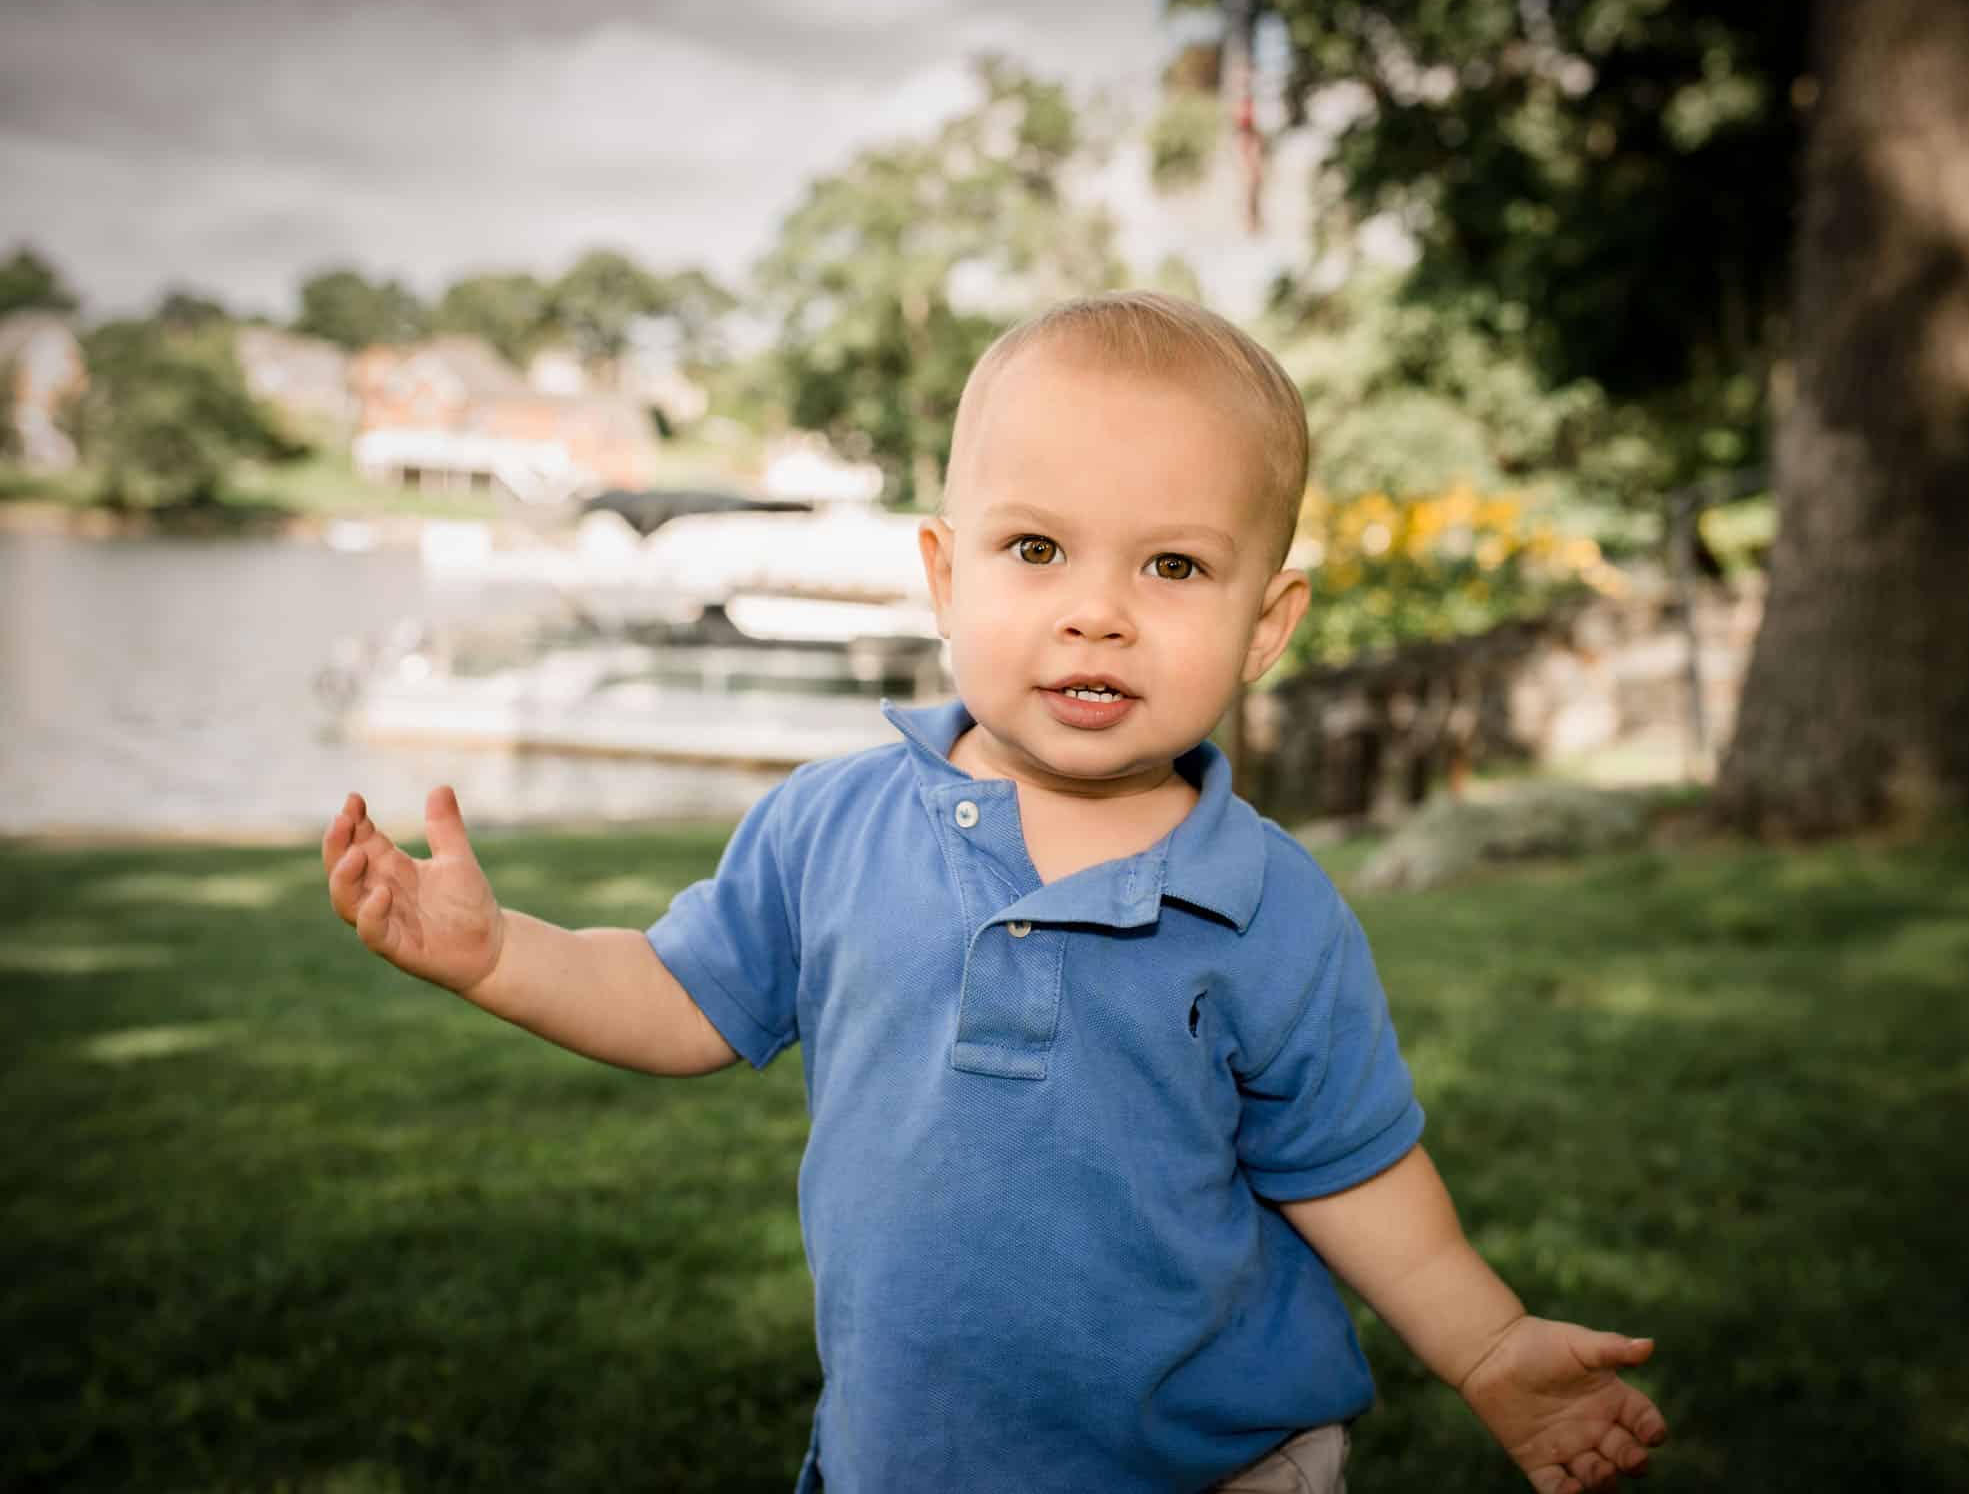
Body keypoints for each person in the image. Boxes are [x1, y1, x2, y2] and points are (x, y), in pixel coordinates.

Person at [322, 291, 1668, 1494]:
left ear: (1265, 626)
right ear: (945, 576)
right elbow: (680, 997)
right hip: (906, 1457)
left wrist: (1489, 1345)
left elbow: (1353, 1171)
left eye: (1174, 566)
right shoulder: (831, 827)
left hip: (1212, 1471)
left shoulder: (1270, 906)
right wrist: (502, 957)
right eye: (1036, 549)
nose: (1099, 611)